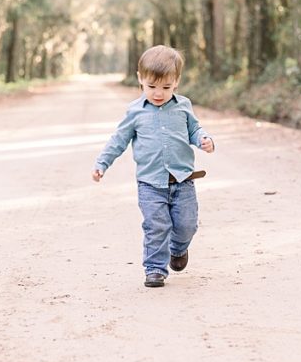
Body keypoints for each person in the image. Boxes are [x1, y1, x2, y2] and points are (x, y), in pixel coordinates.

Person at [92, 45, 215, 288]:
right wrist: (102, 163)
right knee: (156, 225)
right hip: (150, 184)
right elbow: (118, 140)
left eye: (166, 87)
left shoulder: (183, 106)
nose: (158, 93)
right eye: (152, 87)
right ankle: (155, 269)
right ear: (140, 79)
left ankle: (178, 249)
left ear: (176, 82)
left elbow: (194, 130)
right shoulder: (135, 112)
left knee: (187, 224)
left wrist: (204, 139)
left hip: (183, 180)